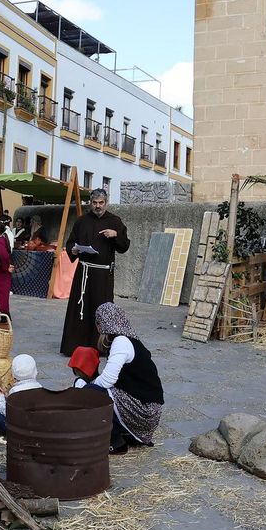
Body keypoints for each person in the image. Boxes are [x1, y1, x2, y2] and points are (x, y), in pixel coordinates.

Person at [62, 189, 132, 354]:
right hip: (84, 273)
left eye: (101, 203)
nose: (98, 206)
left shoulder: (115, 221)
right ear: (90, 203)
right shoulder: (82, 221)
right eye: (95, 203)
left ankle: (100, 347)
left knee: (102, 309)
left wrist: (116, 235)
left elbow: (124, 246)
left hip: (103, 276)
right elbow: (70, 242)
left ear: (106, 203)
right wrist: (73, 250)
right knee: (81, 308)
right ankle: (75, 346)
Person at [87, 303, 163, 454]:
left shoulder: (121, 342)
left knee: (89, 393)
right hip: (146, 409)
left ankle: (115, 442)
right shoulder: (128, 339)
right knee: (92, 390)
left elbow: (107, 380)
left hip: (145, 411)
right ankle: (122, 433)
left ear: (101, 325)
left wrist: (87, 386)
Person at [0, 353, 42, 434]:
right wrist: (7, 396)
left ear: (13, 373)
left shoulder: (15, 390)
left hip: (17, 428)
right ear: (35, 371)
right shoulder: (39, 387)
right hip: (31, 422)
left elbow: (7, 412)